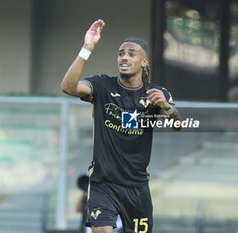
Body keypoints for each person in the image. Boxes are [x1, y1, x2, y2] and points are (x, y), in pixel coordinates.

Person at [61, 19, 182, 233]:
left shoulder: (156, 93)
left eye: (131, 54)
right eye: (120, 53)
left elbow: (178, 126)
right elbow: (68, 87)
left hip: (136, 187)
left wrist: (166, 106)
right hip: (102, 184)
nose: (124, 57)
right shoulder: (102, 85)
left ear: (144, 62)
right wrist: (87, 48)